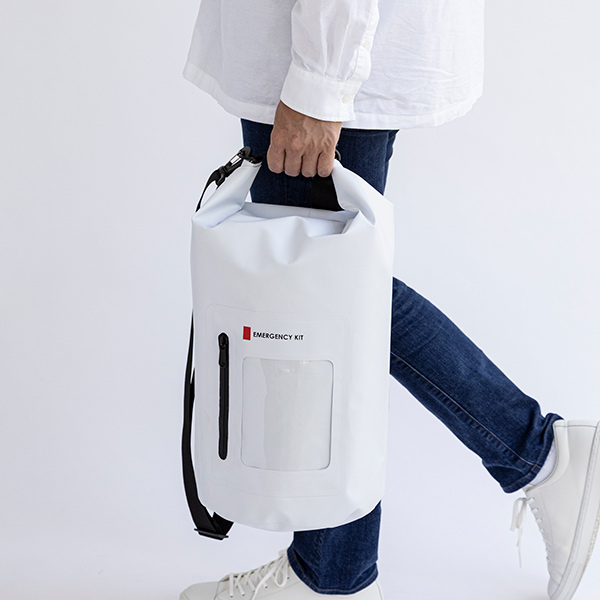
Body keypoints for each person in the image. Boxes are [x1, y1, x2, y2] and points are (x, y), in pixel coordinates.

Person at [178, 2, 600, 599]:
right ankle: (335, 572)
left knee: (319, 304)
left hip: (320, 57)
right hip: (308, 54)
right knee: (325, 304)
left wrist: (319, 83)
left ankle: (538, 457)